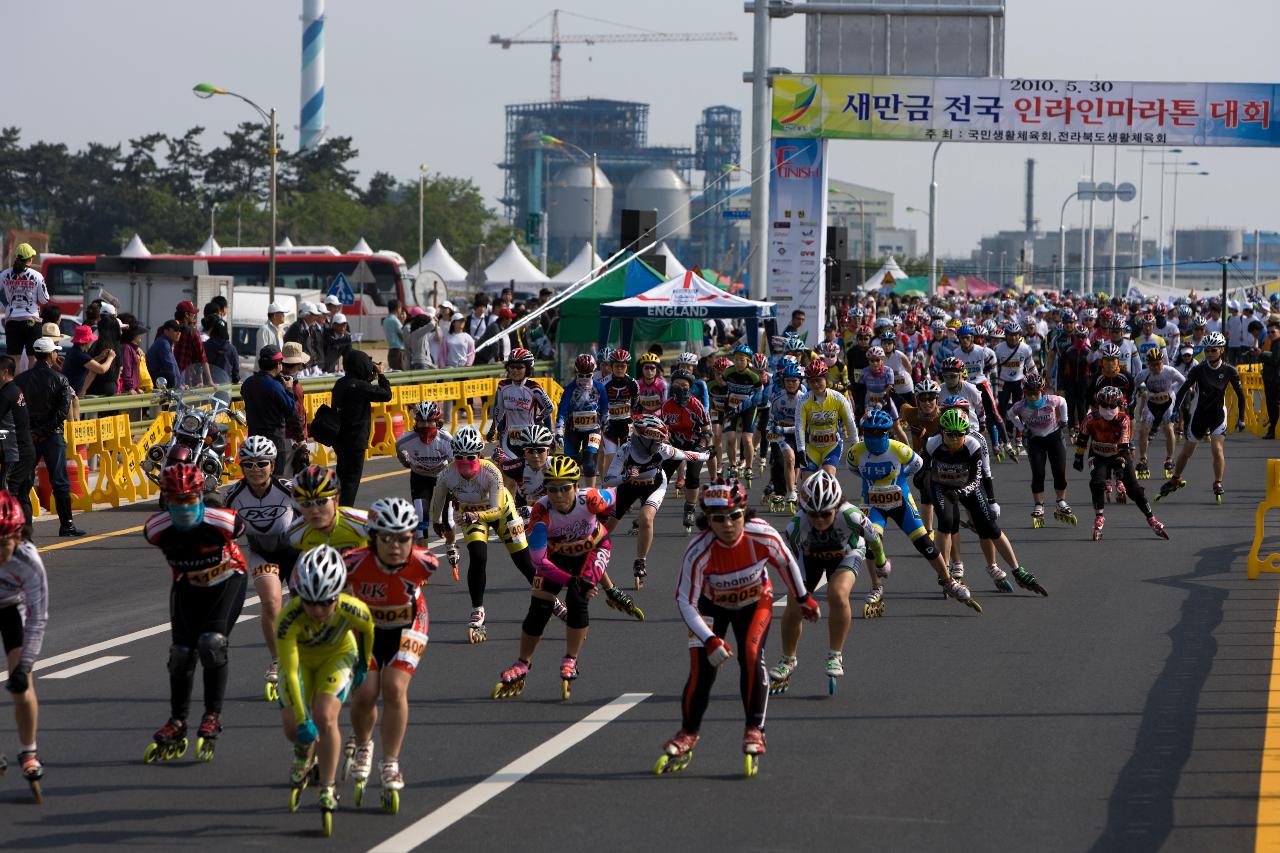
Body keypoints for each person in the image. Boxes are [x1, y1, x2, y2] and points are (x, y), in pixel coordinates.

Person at [654, 478, 819, 777]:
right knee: (702, 672)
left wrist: (803, 597)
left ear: (745, 512)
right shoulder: (698, 550)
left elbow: (786, 563)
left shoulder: (762, 534)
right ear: (708, 520)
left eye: (734, 516)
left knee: (752, 656)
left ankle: (755, 728)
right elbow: (684, 601)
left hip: (754, 602)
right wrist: (708, 640)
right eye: (718, 519)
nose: (728, 525)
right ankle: (688, 733)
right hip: (708, 608)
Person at [142, 463, 248, 764]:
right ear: (166, 500)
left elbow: (239, 533)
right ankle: (178, 720)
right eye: (177, 501)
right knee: (181, 654)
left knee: (212, 644)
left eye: (190, 500)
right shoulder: (156, 529)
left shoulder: (224, 522)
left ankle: (212, 715)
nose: (184, 507)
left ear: (201, 496)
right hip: (188, 586)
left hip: (226, 580)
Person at [492, 456, 615, 700]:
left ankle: (570, 658)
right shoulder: (541, 511)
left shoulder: (591, 498)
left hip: (594, 551)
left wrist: (602, 520)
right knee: (539, 606)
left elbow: (616, 497)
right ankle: (522, 663)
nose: (558, 495)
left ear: (576, 487)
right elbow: (539, 560)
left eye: (564, 488)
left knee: (578, 599)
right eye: (552, 489)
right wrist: (569, 579)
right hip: (557, 558)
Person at [343, 498, 436, 809]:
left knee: (394, 688)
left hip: (409, 626)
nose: (395, 546)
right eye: (386, 538)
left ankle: (391, 762)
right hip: (366, 630)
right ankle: (364, 745)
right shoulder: (353, 563)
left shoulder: (425, 562)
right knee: (366, 693)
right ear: (372, 539)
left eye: (403, 538)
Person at [275, 545, 374, 833]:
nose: (318, 611)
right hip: (301, 662)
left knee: (325, 716)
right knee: (294, 728)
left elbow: (367, 632)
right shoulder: (288, 618)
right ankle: (304, 751)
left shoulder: (354, 609)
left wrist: (363, 665)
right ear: (298, 596)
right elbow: (291, 671)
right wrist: (302, 720)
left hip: (337, 655)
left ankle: (328, 786)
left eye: (326, 603)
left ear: (339, 595)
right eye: (310, 603)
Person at [845, 409, 978, 612]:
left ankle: (948, 580)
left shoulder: (899, 449)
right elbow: (853, 468)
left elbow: (919, 464)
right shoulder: (856, 451)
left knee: (925, 543)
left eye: (878, 432)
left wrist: (900, 477)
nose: (873, 436)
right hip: (872, 505)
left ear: (887, 433)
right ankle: (876, 586)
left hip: (901, 503)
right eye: (869, 432)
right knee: (872, 544)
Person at [770, 471, 887, 695]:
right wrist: (802, 596)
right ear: (804, 510)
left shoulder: (851, 516)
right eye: (814, 514)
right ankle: (788, 660)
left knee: (838, 594)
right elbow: (793, 564)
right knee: (794, 602)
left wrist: (881, 563)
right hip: (810, 558)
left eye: (826, 513)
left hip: (847, 553)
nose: (820, 519)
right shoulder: (795, 528)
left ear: (836, 507)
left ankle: (835, 655)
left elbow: (874, 540)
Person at [430, 426, 539, 643]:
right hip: (470, 514)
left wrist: (474, 517)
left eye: (470, 457)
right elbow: (437, 499)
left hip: (502, 513)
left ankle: (549, 598)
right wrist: (436, 521)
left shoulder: (491, 471)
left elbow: (497, 509)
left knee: (524, 563)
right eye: (459, 457)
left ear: (479, 455)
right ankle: (477, 609)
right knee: (478, 557)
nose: (464, 462)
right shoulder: (446, 474)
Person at [922, 408, 1048, 596]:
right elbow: (920, 467)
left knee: (990, 527)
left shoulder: (973, 444)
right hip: (942, 486)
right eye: (950, 434)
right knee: (947, 523)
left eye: (959, 434)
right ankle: (946, 571)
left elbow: (976, 478)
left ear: (966, 432)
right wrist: (921, 480)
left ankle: (1016, 569)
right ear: (941, 431)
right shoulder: (932, 443)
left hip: (967, 485)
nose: (955, 439)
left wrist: (965, 492)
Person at [223, 436, 298, 702]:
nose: (256, 469)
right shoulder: (232, 494)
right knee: (271, 602)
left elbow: (316, 513)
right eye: (249, 464)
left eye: (262, 463)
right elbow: (223, 529)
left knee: (308, 606)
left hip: (295, 552)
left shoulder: (289, 488)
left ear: (272, 464)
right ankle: (278, 660)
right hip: (262, 552)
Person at [602, 414, 707, 589]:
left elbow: (687, 455)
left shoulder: (663, 449)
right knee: (607, 526)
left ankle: (640, 561)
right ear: (641, 439)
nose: (657, 445)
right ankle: (588, 558)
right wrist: (625, 477)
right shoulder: (626, 449)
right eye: (654, 441)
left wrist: (707, 455)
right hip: (629, 486)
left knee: (646, 518)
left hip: (654, 485)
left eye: (659, 441)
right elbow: (608, 480)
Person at [1160, 332, 1246, 504]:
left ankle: (1218, 482)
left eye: (1213, 350)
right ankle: (1176, 477)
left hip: (1217, 415)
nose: (1209, 353)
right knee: (1186, 452)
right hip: (1199, 414)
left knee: (1217, 448)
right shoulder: (1198, 369)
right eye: (1206, 350)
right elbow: (1184, 389)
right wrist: (1176, 409)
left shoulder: (1230, 370)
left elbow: (1240, 395)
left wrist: (1241, 418)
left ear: (1221, 350)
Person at [0, 491, 48, 798]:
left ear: (17, 536)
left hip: (12, 610)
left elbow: (38, 617)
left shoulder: (28, 560)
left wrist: (26, 663)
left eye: (3, 545)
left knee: (22, 684)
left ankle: (28, 752)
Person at [1076, 386, 1169, 541]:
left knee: (1135, 490)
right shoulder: (1091, 418)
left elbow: (1124, 446)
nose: (1108, 409)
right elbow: (1083, 438)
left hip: (1118, 453)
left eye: (1112, 406)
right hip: (1097, 455)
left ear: (1119, 405)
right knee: (1097, 482)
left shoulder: (1123, 419)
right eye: (1104, 405)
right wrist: (1078, 456)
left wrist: (1120, 467)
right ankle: (1099, 516)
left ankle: (1151, 518)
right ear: (1098, 404)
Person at [14, 339, 82, 536]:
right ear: (51, 354)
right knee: (59, 480)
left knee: (23, 481)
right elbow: (62, 412)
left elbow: (18, 411)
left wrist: (33, 431)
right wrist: (44, 430)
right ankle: (67, 525)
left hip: (29, 436)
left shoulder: (21, 380)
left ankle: (23, 526)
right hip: (52, 435)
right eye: (54, 352)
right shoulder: (60, 379)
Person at [1007, 372, 1076, 527]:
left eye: (1036, 393)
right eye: (1029, 394)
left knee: (1059, 471)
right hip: (1035, 440)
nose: (1032, 397)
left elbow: (1063, 402)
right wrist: (1021, 428)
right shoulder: (1021, 406)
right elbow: (1010, 414)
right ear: (1024, 392)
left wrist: (1064, 420)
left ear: (1042, 391)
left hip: (1054, 437)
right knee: (1038, 473)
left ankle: (1061, 501)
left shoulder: (1051, 400)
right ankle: (1039, 504)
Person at [329, 350, 392, 507]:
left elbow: (357, 390)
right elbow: (386, 395)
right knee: (351, 482)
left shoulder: (340, 384)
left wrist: (369, 378)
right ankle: (344, 516)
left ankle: (336, 511)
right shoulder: (360, 387)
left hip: (339, 440)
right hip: (355, 442)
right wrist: (381, 375)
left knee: (341, 479)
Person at [487, 348, 553, 494]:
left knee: (528, 476)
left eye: (520, 367)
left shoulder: (534, 387)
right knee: (509, 476)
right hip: (508, 439)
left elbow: (549, 407)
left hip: (530, 439)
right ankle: (511, 510)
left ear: (527, 368)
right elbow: (499, 410)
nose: (515, 370)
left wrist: (539, 421)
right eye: (512, 367)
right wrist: (493, 428)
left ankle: (528, 505)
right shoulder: (502, 386)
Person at [394, 401, 454, 563]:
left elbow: (455, 466)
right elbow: (401, 453)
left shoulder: (447, 440)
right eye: (422, 422)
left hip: (443, 478)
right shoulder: (405, 440)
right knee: (421, 519)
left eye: (430, 422)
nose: (426, 426)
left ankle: (451, 544)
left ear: (437, 422)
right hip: (420, 478)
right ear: (416, 422)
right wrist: (409, 463)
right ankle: (423, 561)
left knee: (447, 519)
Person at [241, 346, 305, 468]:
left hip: (254, 442)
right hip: (275, 444)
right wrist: (289, 389)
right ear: (278, 364)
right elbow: (291, 411)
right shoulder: (277, 387)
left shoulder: (248, 383)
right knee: (276, 481)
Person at [288, 465, 370, 556]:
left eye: (321, 501)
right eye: (306, 504)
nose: (314, 510)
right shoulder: (295, 534)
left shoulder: (364, 523)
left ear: (336, 500)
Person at [555, 354, 608, 486]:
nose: (584, 379)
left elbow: (605, 409)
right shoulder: (570, 390)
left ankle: (591, 495)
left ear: (593, 373)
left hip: (593, 431)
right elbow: (561, 412)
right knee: (570, 465)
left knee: (589, 464)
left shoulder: (600, 388)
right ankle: (573, 494)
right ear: (576, 372)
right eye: (581, 375)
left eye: (588, 375)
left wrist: (605, 423)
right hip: (573, 431)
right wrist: (558, 431)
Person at [1134, 347, 1185, 480]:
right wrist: (1130, 402)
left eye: (1158, 364)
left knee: (1168, 428)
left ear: (1163, 362)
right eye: (1152, 364)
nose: (1156, 367)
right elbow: (1133, 387)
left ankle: (1169, 459)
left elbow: (1184, 382)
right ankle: (1143, 458)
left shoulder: (1170, 371)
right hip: (1151, 402)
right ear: (1148, 364)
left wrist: (1173, 391)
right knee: (1143, 430)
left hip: (1167, 401)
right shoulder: (1143, 373)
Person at [0, 357, 35, 527]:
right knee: (22, 495)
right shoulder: (16, 390)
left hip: (15, 453)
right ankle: (25, 536)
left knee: (8, 493)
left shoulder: (6, 394)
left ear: (5, 372)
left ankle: (10, 534)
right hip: (26, 450)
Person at [63, 325, 113, 398]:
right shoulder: (80, 355)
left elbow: (89, 363)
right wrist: (110, 358)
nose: (91, 341)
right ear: (86, 341)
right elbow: (101, 369)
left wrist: (101, 356)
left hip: (68, 391)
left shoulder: (73, 351)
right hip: (71, 394)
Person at [86, 303, 122, 397]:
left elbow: (92, 370)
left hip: (94, 388)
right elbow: (120, 369)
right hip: (112, 388)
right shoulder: (117, 343)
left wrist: (83, 390)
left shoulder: (94, 339)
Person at [174, 300, 213, 386]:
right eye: (193, 313)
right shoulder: (192, 332)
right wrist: (210, 381)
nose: (195, 316)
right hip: (187, 379)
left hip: (171, 378)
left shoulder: (168, 329)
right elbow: (202, 357)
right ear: (186, 315)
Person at [146, 320, 184, 390]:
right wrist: (178, 386)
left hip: (158, 382)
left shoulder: (167, 342)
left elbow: (174, 366)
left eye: (180, 330)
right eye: (176, 330)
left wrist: (181, 384)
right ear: (166, 331)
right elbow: (170, 367)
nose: (179, 333)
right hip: (155, 384)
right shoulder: (164, 343)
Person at [201, 316, 239, 383]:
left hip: (207, 387)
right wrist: (236, 380)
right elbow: (235, 373)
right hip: (225, 386)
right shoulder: (232, 349)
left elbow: (198, 366)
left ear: (213, 331)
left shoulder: (204, 346)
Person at [118, 322, 153, 394]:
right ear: (133, 335)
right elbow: (126, 369)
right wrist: (129, 388)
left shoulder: (131, 348)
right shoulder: (126, 348)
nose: (141, 335)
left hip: (133, 389)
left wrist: (136, 388)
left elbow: (134, 372)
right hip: (127, 391)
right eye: (139, 333)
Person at [382, 300, 406, 371]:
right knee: (402, 373)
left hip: (391, 350)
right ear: (397, 308)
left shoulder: (386, 320)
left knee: (394, 372)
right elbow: (404, 334)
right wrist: (403, 321)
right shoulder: (395, 320)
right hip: (399, 351)